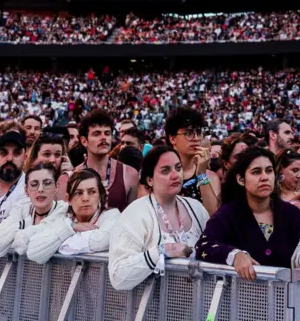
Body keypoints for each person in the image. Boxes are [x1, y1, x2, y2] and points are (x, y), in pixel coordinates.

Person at [196, 147, 300, 278]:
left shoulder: (292, 214)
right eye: (256, 172)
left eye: (269, 171)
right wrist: (234, 255)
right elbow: (204, 246)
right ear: (241, 179)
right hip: (245, 295)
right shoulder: (228, 214)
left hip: (286, 296)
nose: (264, 177)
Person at [109, 145, 209, 291]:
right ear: (150, 180)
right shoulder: (136, 213)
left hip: (197, 307)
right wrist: (161, 251)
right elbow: (118, 276)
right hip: (151, 309)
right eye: (165, 171)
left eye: (178, 168)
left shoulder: (196, 208)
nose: (175, 175)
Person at [0, 163, 71, 263]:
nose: (40, 189)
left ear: (56, 187)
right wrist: (23, 224)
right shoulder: (21, 210)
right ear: (26, 190)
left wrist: (20, 234)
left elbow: (36, 254)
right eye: (34, 185)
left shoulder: (65, 212)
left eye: (47, 183)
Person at [75, 109, 139, 211]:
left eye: (107, 133)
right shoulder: (71, 176)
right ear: (84, 141)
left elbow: (136, 219)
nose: (103, 138)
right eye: (97, 134)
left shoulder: (129, 174)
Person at [164, 107, 220, 214]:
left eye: (198, 132)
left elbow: (214, 217)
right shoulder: (159, 175)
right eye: (189, 133)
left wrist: (201, 175)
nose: (196, 138)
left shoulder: (210, 177)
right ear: (172, 138)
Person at [54, 169, 122, 256]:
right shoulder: (61, 216)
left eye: (92, 192)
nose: (85, 198)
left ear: (100, 196)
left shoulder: (113, 216)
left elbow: (100, 241)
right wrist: (72, 226)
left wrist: (60, 237)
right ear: (68, 199)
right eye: (78, 193)